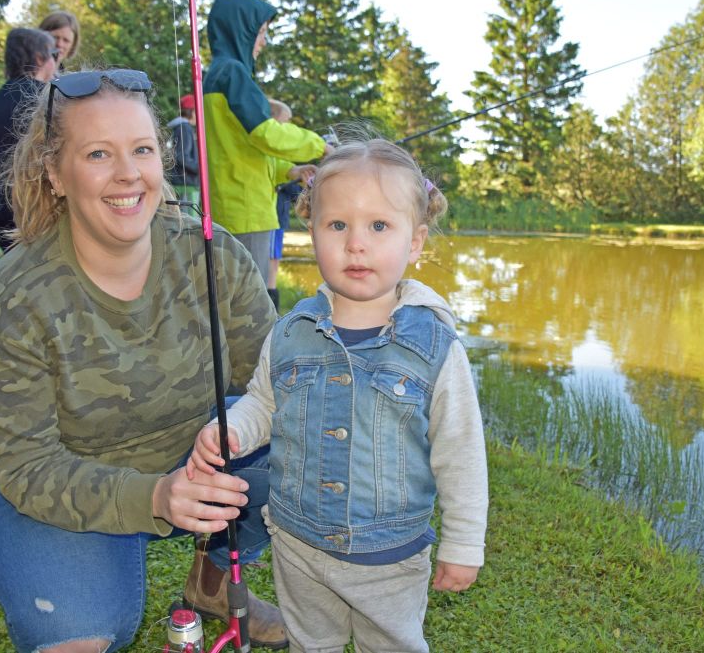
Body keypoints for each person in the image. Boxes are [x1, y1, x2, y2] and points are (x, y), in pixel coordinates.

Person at [0, 69, 289, 652]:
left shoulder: (215, 257)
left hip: (195, 461)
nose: (127, 174)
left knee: (306, 448)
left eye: (141, 149)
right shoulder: (12, 300)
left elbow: (276, 384)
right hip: (56, 486)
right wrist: (154, 498)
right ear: (54, 175)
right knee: (76, 632)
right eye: (97, 154)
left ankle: (211, 583)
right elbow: (28, 466)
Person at [188, 137, 489, 653]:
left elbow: (460, 451)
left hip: (389, 559)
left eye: (378, 226)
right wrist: (233, 429)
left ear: (414, 242)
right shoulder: (290, 330)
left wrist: (463, 543)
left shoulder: (436, 347)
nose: (356, 244)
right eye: (337, 225)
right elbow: (263, 400)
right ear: (312, 231)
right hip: (298, 547)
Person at [203, 0, 331, 283]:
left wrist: (291, 170)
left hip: (236, 208)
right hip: (247, 213)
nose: (263, 41)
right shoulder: (233, 74)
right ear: (241, 31)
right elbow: (267, 135)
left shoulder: (219, 74)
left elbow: (245, 148)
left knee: (235, 299)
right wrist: (320, 146)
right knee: (249, 306)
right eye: (260, 32)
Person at [0, 28, 58, 252]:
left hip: (4, 217)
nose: (57, 62)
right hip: (40, 216)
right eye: (54, 54)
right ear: (39, 58)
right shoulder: (45, 98)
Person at [266, 98, 308, 310]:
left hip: (276, 219)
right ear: (274, 120)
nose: (290, 126)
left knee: (273, 264)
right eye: (287, 121)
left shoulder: (275, 155)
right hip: (271, 219)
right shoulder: (269, 152)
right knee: (271, 267)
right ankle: (271, 312)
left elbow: (293, 188)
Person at [166, 93, 200, 213]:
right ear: (192, 111)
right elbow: (181, 156)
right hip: (186, 185)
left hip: (182, 182)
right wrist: (199, 168)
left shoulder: (179, 127)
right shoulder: (184, 128)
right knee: (189, 222)